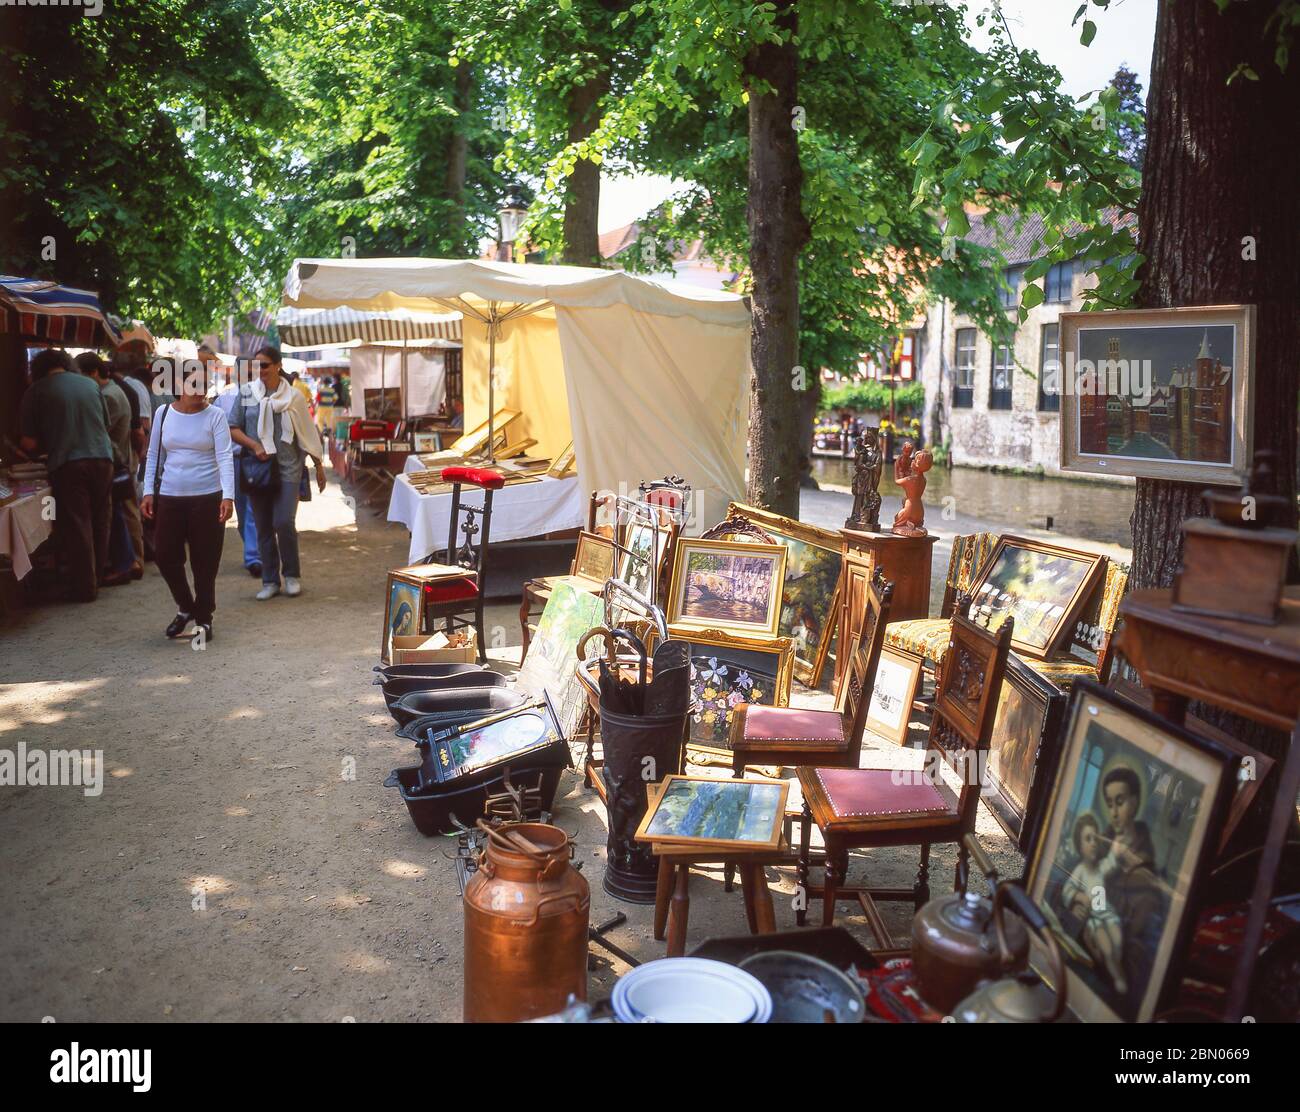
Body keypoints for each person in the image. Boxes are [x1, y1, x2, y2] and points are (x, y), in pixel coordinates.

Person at [141, 359, 235, 641]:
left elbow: (224, 456)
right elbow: (154, 455)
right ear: (178, 385)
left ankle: (204, 618)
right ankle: (186, 606)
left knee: (205, 562)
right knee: (165, 555)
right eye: (194, 384)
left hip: (207, 496)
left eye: (205, 384)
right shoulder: (163, 413)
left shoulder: (215, 415)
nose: (200, 390)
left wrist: (228, 496)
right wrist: (148, 491)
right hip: (170, 496)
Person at [229, 345, 326, 599]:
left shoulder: (293, 397)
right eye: (256, 365)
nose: (259, 370)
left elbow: (307, 432)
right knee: (262, 526)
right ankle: (270, 580)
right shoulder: (247, 393)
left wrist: (318, 466)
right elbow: (233, 426)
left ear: (277, 365)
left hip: (288, 468)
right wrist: (254, 445)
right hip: (258, 468)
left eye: (264, 365)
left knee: (284, 522)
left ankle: (292, 575)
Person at [18, 348, 114, 602]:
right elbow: (105, 424)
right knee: (101, 518)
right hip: (103, 458)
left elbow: (28, 443)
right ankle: (97, 577)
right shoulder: (90, 384)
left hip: (68, 463)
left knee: (78, 523)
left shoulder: (36, 391)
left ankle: (85, 587)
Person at [74, 352, 142, 584]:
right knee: (123, 513)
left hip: (115, 461)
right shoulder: (113, 391)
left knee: (120, 516)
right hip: (120, 459)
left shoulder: (109, 395)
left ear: (93, 373)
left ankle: (130, 561)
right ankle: (132, 561)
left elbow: (99, 431)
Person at [202, 346, 261, 578]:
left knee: (242, 509)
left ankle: (253, 553)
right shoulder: (261, 396)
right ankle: (254, 554)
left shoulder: (223, 399)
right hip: (253, 459)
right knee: (251, 508)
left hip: (231, 461)